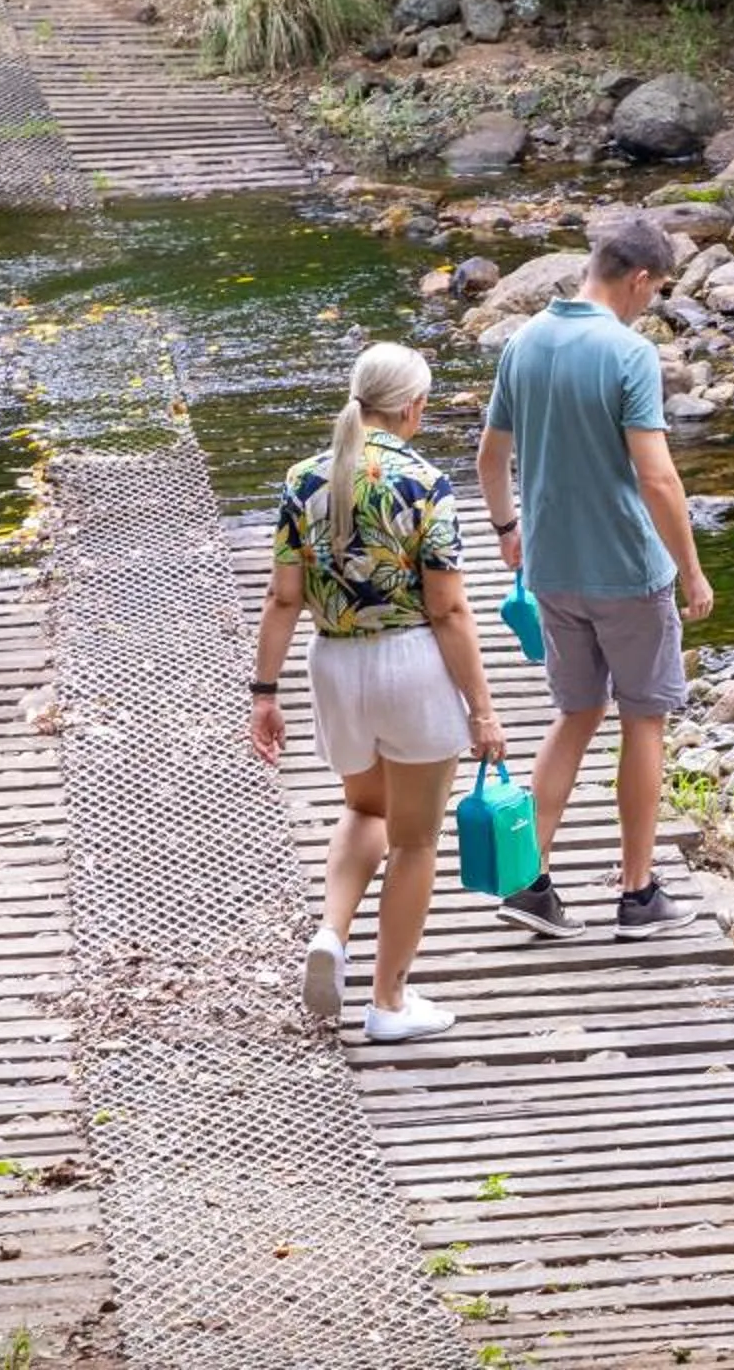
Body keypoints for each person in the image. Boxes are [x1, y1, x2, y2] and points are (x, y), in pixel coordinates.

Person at [251, 343, 506, 1042]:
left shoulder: (305, 478)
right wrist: (482, 710)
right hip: (412, 666)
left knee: (364, 808)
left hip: (334, 667)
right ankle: (389, 1003)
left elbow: (281, 598)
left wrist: (263, 692)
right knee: (416, 840)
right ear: (412, 407)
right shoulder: (426, 483)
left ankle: (332, 934)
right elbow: (450, 610)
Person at [476, 218, 711, 942]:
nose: (654, 303)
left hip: (551, 567)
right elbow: (657, 477)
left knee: (575, 716)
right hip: (628, 571)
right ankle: (638, 896)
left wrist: (507, 532)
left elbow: (491, 458)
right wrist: (692, 572)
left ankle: (530, 882)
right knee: (644, 719)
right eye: (659, 289)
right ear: (639, 278)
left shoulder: (523, 341)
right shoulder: (629, 352)